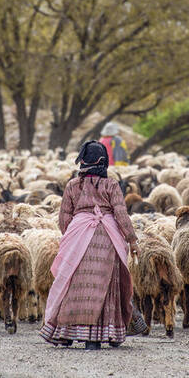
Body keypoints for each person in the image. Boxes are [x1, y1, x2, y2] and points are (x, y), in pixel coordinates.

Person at [40, 140, 138, 350]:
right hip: (107, 236)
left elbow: (64, 217)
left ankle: (64, 333)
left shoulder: (72, 185)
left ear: (83, 160)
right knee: (104, 284)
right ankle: (97, 337)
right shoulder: (111, 185)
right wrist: (132, 239)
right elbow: (120, 213)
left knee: (72, 281)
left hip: (78, 234)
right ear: (103, 161)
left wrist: (73, 236)